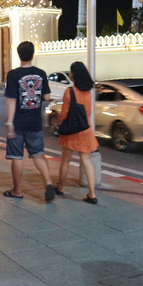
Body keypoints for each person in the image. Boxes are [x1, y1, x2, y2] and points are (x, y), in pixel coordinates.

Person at [4, 41, 55, 201]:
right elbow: (46, 97)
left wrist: (9, 123)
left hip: (18, 122)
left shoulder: (13, 74)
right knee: (38, 154)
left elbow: (11, 100)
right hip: (35, 122)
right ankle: (48, 182)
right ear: (33, 54)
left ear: (19, 55)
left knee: (17, 157)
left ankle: (17, 190)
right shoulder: (41, 73)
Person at [56, 61, 99, 204]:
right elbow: (88, 112)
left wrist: (59, 122)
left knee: (66, 160)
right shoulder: (88, 91)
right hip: (85, 129)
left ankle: (60, 187)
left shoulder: (70, 92)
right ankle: (92, 194)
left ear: (73, 74)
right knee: (87, 161)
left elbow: (64, 113)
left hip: (71, 130)